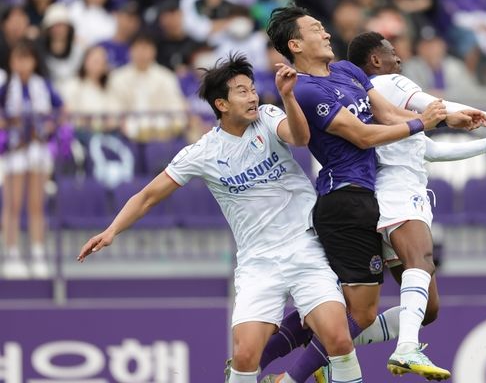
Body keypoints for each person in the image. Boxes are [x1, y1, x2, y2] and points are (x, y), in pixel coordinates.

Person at [77, 54, 365, 383]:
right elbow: (148, 196)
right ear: (221, 104)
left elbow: (300, 138)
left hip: (305, 247)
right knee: (244, 356)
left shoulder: (269, 117)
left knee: (339, 339)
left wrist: (286, 96)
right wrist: (112, 230)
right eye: (242, 91)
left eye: (253, 89)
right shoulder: (203, 152)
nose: (253, 96)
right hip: (258, 262)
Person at [260, 5, 484, 383]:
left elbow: (388, 116)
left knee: (359, 307)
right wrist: (420, 123)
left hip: (369, 201)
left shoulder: (347, 71)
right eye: (317, 28)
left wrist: (445, 121)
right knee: (356, 311)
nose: (327, 33)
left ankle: (262, 363)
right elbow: (362, 135)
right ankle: (274, 372)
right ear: (295, 44)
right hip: (343, 201)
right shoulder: (306, 88)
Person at [321, 30, 486, 380]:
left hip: (393, 196)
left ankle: (328, 349)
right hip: (398, 194)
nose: (399, 57)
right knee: (422, 262)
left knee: (429, 308)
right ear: (376, 60)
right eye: (392, 51)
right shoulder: (391, 82)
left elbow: (431, 150)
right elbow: (441, 107)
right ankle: (406, 349)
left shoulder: (384, 104)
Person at [1, 39, 63, 279]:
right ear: (12, 61)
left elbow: (60, 110)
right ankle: (12, 252)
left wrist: (47, 124)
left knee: (37, 204)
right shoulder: (6, 88)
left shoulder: (43, 85)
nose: (23, 63)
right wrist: (10, 124)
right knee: (13, 203)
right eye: (18, 58)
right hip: (15, 150)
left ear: (34, 61)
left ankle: (38, 252)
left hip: (37, 149)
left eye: (27, 58)